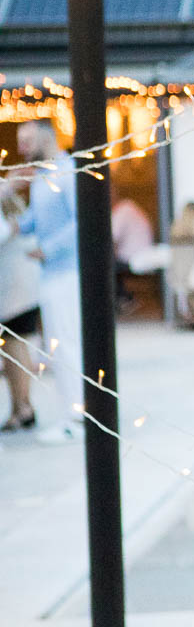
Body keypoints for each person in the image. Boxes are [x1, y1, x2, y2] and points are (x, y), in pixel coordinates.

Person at [16, 119, 79, 441]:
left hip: (67, 273)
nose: (21, 148)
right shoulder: (40, 177)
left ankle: (77, 419)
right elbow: (33, 220)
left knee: (67, 345)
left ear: (45, 137)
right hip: (49, 274)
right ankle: (72, 415)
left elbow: (80, 221)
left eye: (27, 140)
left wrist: (48, 249)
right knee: (57, 347)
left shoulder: (67, 172)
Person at [0, 178, 40, 433]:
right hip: (19, 291)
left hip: (15, 293)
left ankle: (23, 408)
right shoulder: (16, 210)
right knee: (13, 348)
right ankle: (20, 407)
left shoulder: (10, 221)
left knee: (14, 348)